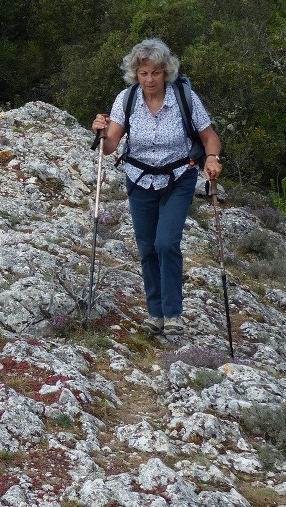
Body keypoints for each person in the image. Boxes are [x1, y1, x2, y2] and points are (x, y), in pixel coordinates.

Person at [91, 38, 223, 338]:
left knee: (166, 243)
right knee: (147, 248)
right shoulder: (126, 99)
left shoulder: (184, 97)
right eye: (143, 73)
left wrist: (212, 158)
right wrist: (98, 130)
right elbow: (110, 146)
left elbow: (209, 137)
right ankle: (156, 314)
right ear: (135, 74)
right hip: (139, 180)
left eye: (156, 73)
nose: (150, 79)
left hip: (179, 177)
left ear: (167, 72)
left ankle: (174, 314)